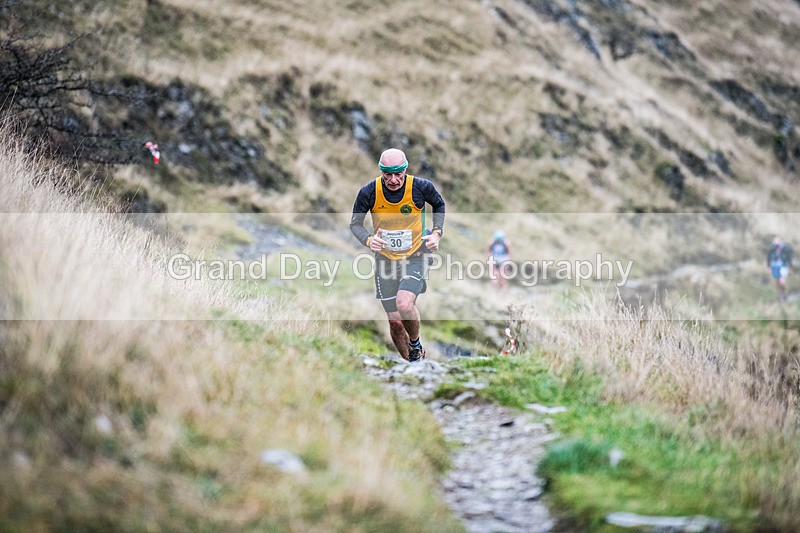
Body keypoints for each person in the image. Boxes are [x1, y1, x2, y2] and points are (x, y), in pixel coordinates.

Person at [350, 148, 445, 362]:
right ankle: (411, 364)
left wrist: (437, 234)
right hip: (385, 259)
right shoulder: (369, 192)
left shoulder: (420, 187)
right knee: (394, 321)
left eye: (398, 174)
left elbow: (439, 204)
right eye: (387, 174)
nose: (393, 180)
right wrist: (368, 240)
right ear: (381, 171)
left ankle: (415, 343)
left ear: (405, 170)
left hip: (415, 254)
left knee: (404, 304)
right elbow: (355, 224)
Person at [767, 236, 793, 301]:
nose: (776, 243)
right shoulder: (771, 249)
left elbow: (789, 258)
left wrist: (790, 266)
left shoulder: (786, 248)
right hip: (774, 266)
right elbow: (768, 258)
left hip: (783, 265)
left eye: (777, 241)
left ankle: (783, 293)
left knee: (782, 281)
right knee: (777, 281)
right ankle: (781, 294)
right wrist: (769, 267)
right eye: (774, 241)